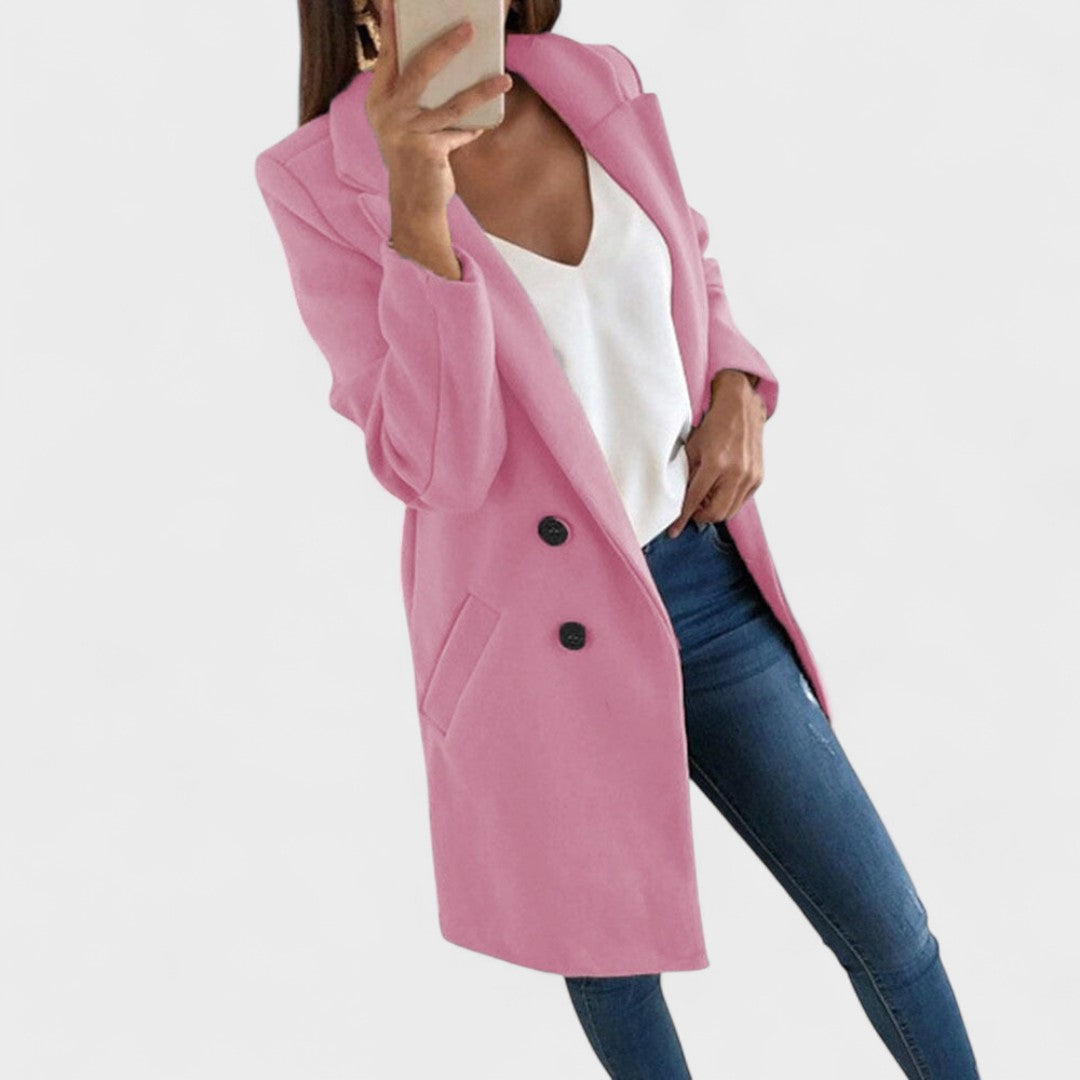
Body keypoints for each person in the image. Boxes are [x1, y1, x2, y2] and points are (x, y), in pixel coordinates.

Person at [255, 2, 981, 1076]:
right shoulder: (321, 180)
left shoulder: (591, 79)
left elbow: (688, 258)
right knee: (619, 979)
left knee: (891, 930)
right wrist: (416, 199)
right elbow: (438, 465)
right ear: (366, 7)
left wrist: (735, 381)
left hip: (704, 584)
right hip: (536, 642)